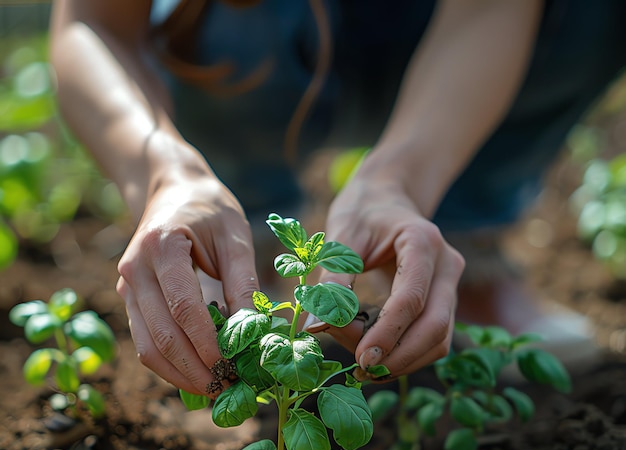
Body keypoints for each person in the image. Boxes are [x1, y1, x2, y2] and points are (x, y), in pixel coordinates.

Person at [49, 0, 626, 398]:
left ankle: (464, 238)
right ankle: (231, 255)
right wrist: (162, 174)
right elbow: (90, 21)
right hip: (257, 44)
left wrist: (400, 183)